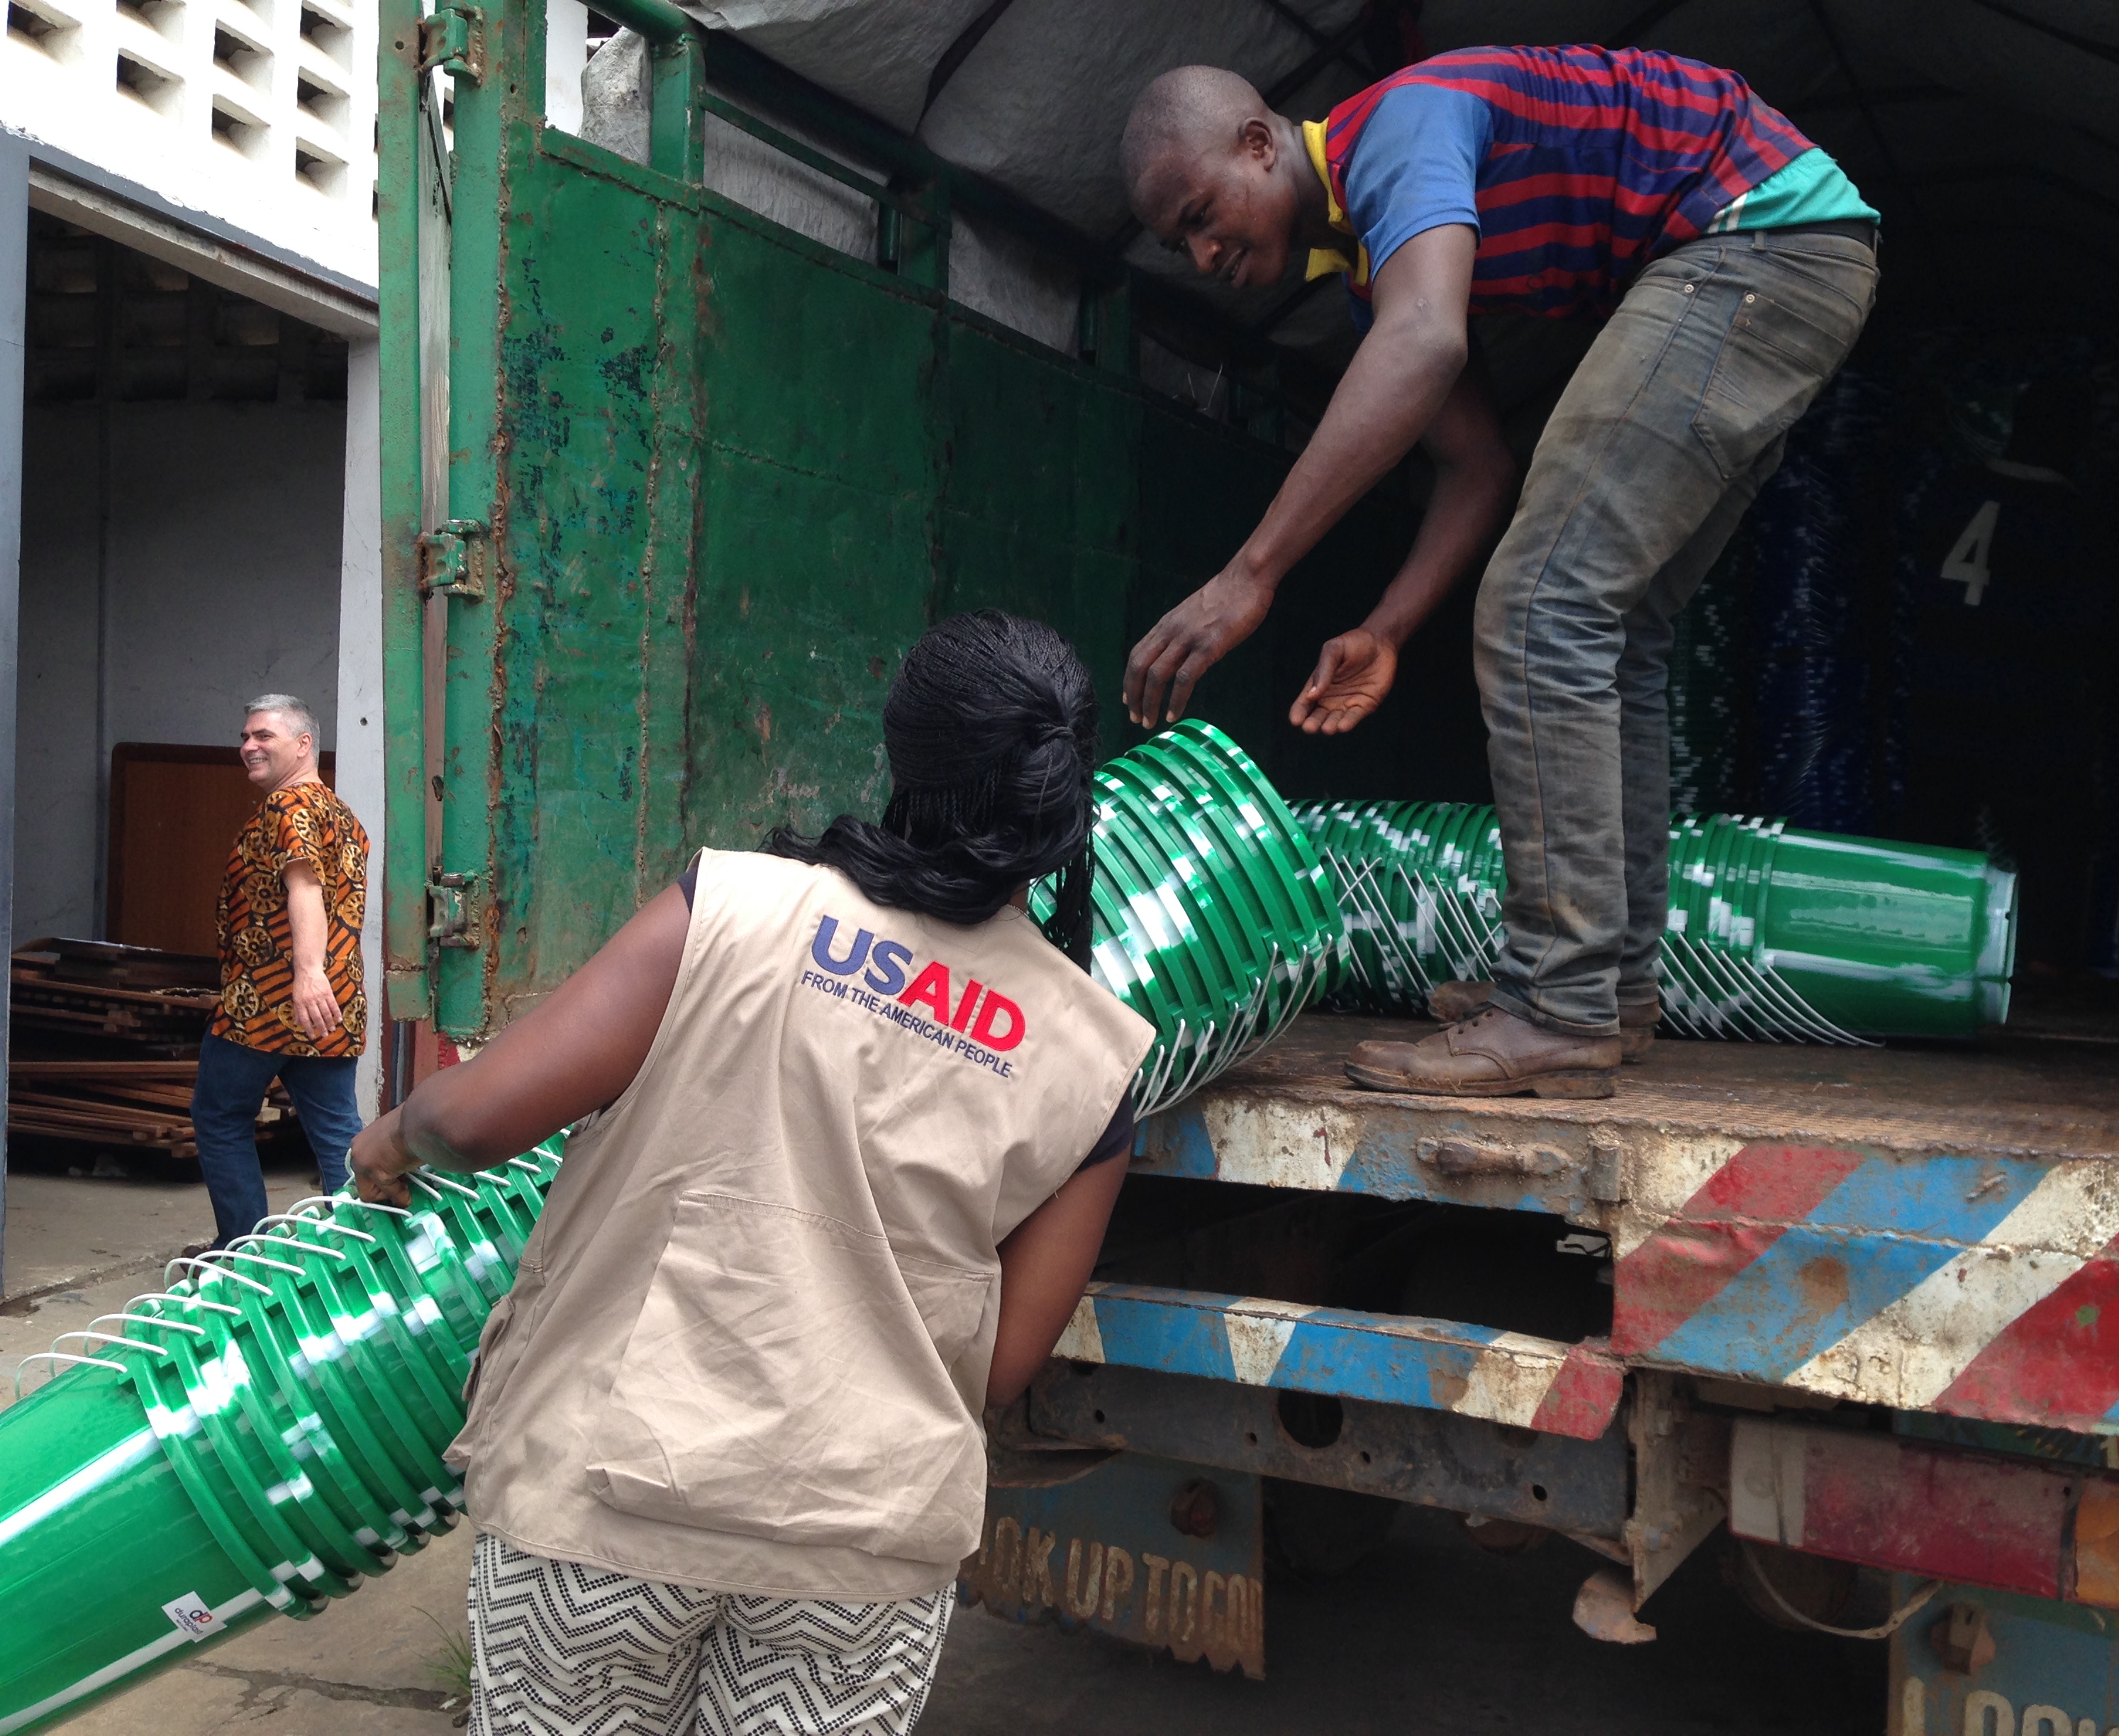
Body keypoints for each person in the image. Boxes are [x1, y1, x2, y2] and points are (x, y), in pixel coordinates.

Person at [350, 611, 1153, 1736]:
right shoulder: (1095, 1053)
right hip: (860, 1551)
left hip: (611, 1510)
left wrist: (384, 1143)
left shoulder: (734, 910)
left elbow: (471, 1123)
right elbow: (1004, 1365)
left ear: (906, 758)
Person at [1118, 48, 1879, 1096]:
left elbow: (1425, 344)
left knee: (1542, 606)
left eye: (1203, 212)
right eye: (1179, 242)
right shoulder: (1374, 259)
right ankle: (1606, 990)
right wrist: (1386, 627)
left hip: (1755, 238)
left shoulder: (1398, 131)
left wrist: (1254, 573)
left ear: (1259, 144)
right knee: (1615, 630)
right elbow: (1476, 465)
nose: (1203, 252)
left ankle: (1555, 1001)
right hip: (1797, 252)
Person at [190, 694, 369, 1247]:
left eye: (263, 736)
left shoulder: (288, 809)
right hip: (333, 1004)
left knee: (220, 1116)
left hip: (268, 1003)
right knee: (338, 1133)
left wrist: (306, 973)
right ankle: (361, 1247)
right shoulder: (340, 812)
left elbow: (307, 887)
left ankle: (243, 1256)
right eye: (245, 736)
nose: (248, 746)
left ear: (303, 744)